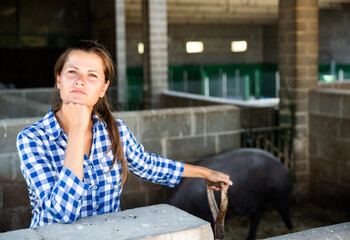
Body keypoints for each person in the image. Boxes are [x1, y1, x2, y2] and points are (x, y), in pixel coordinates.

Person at [16, 40, 232, 228]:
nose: (80, 80)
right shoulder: (32, 139)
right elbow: (61, 214)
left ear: (103, 88)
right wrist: (77, 131)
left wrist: (205, 173)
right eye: (72, 72)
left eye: (92, 75)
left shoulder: (115, 130)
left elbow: (148, 165)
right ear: (59, 79)